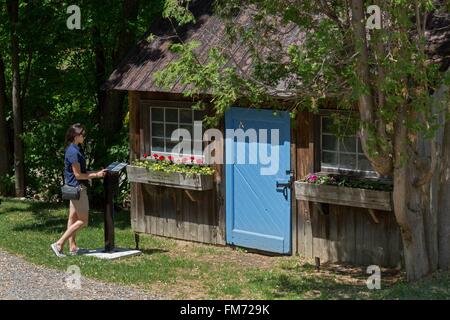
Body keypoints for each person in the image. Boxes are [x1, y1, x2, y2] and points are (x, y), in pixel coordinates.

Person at [51, 123, 107, 257]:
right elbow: (78, 175)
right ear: (76, 136)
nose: (84, 136)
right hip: (78, 189)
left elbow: (82, 171)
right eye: (82, 134)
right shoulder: (73, 152)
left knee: (73, 217)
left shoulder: (75, 149)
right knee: (83, 221)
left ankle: (72, 246)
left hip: (74, 188)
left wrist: (97, 172)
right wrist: (96, 175)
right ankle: (59, 243)